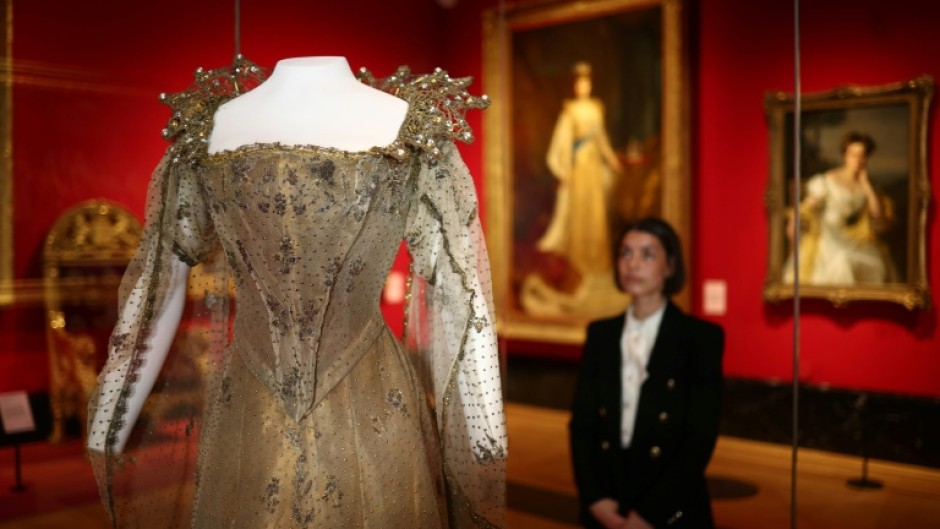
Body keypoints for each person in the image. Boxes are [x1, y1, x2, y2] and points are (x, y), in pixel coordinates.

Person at [86, 56, 506, 528]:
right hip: (251, 396)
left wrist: (483, 413)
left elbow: (459, 282)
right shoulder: (205, 132)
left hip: (368, 397)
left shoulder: (409, 130)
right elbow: (160, 277)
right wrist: (113, 407)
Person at [569, 217, 724, 529]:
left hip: (670, 505)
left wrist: (649, 514)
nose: (633, 264)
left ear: (670, 267)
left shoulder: (700, 338)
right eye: (626, 253)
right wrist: (595, 499)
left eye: (647, 254)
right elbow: (582, 426)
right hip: (608, 501)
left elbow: (699, 438)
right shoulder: (601, 335)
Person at [520, 61, 628, 318]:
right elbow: (563, 142)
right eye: (579, 82)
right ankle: (580, 267)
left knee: (596, 216)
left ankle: (598, 268)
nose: (583, 86)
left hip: (592, 169)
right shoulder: (569, 111)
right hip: (579, 170)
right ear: (575, 85)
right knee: (580, 216)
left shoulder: (596, 109)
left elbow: (601, 140)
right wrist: (563, 170)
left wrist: (612, 160)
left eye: (586, 82)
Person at [783, 131, 896, 285]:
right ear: (845, 156)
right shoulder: (828, 180)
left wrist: (867, 185)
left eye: (862, 155)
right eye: (853, 154)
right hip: (829, 236)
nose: (858, 160)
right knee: (842, 260)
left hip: (856, 240)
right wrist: (796, 220)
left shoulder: (868, 185)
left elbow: (877, 216)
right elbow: (808, 207)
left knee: (876, 265)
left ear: (867, 157)